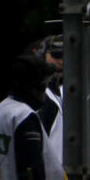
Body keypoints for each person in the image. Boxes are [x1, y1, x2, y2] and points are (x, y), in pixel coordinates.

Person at [38, 35, 65, 164]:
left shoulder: (65, 92)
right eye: (56, 55)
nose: (61, 61)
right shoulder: (41, 98)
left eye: (65, 56)